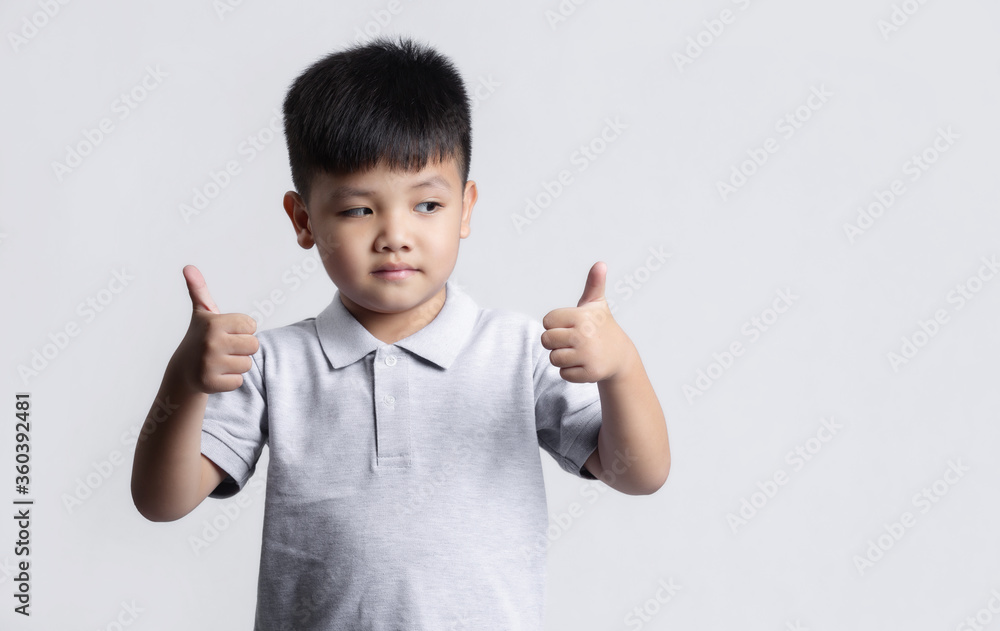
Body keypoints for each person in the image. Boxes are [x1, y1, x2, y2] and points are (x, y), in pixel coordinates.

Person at [130, 34, 670, 630]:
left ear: (465, 208)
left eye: (427, 206)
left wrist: (623, 368)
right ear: (303, 220)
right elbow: (161, 501)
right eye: (358, 210)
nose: (395, 235)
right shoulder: (271, 364)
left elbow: (639, 474)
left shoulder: (520, 352)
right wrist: (184, 381)